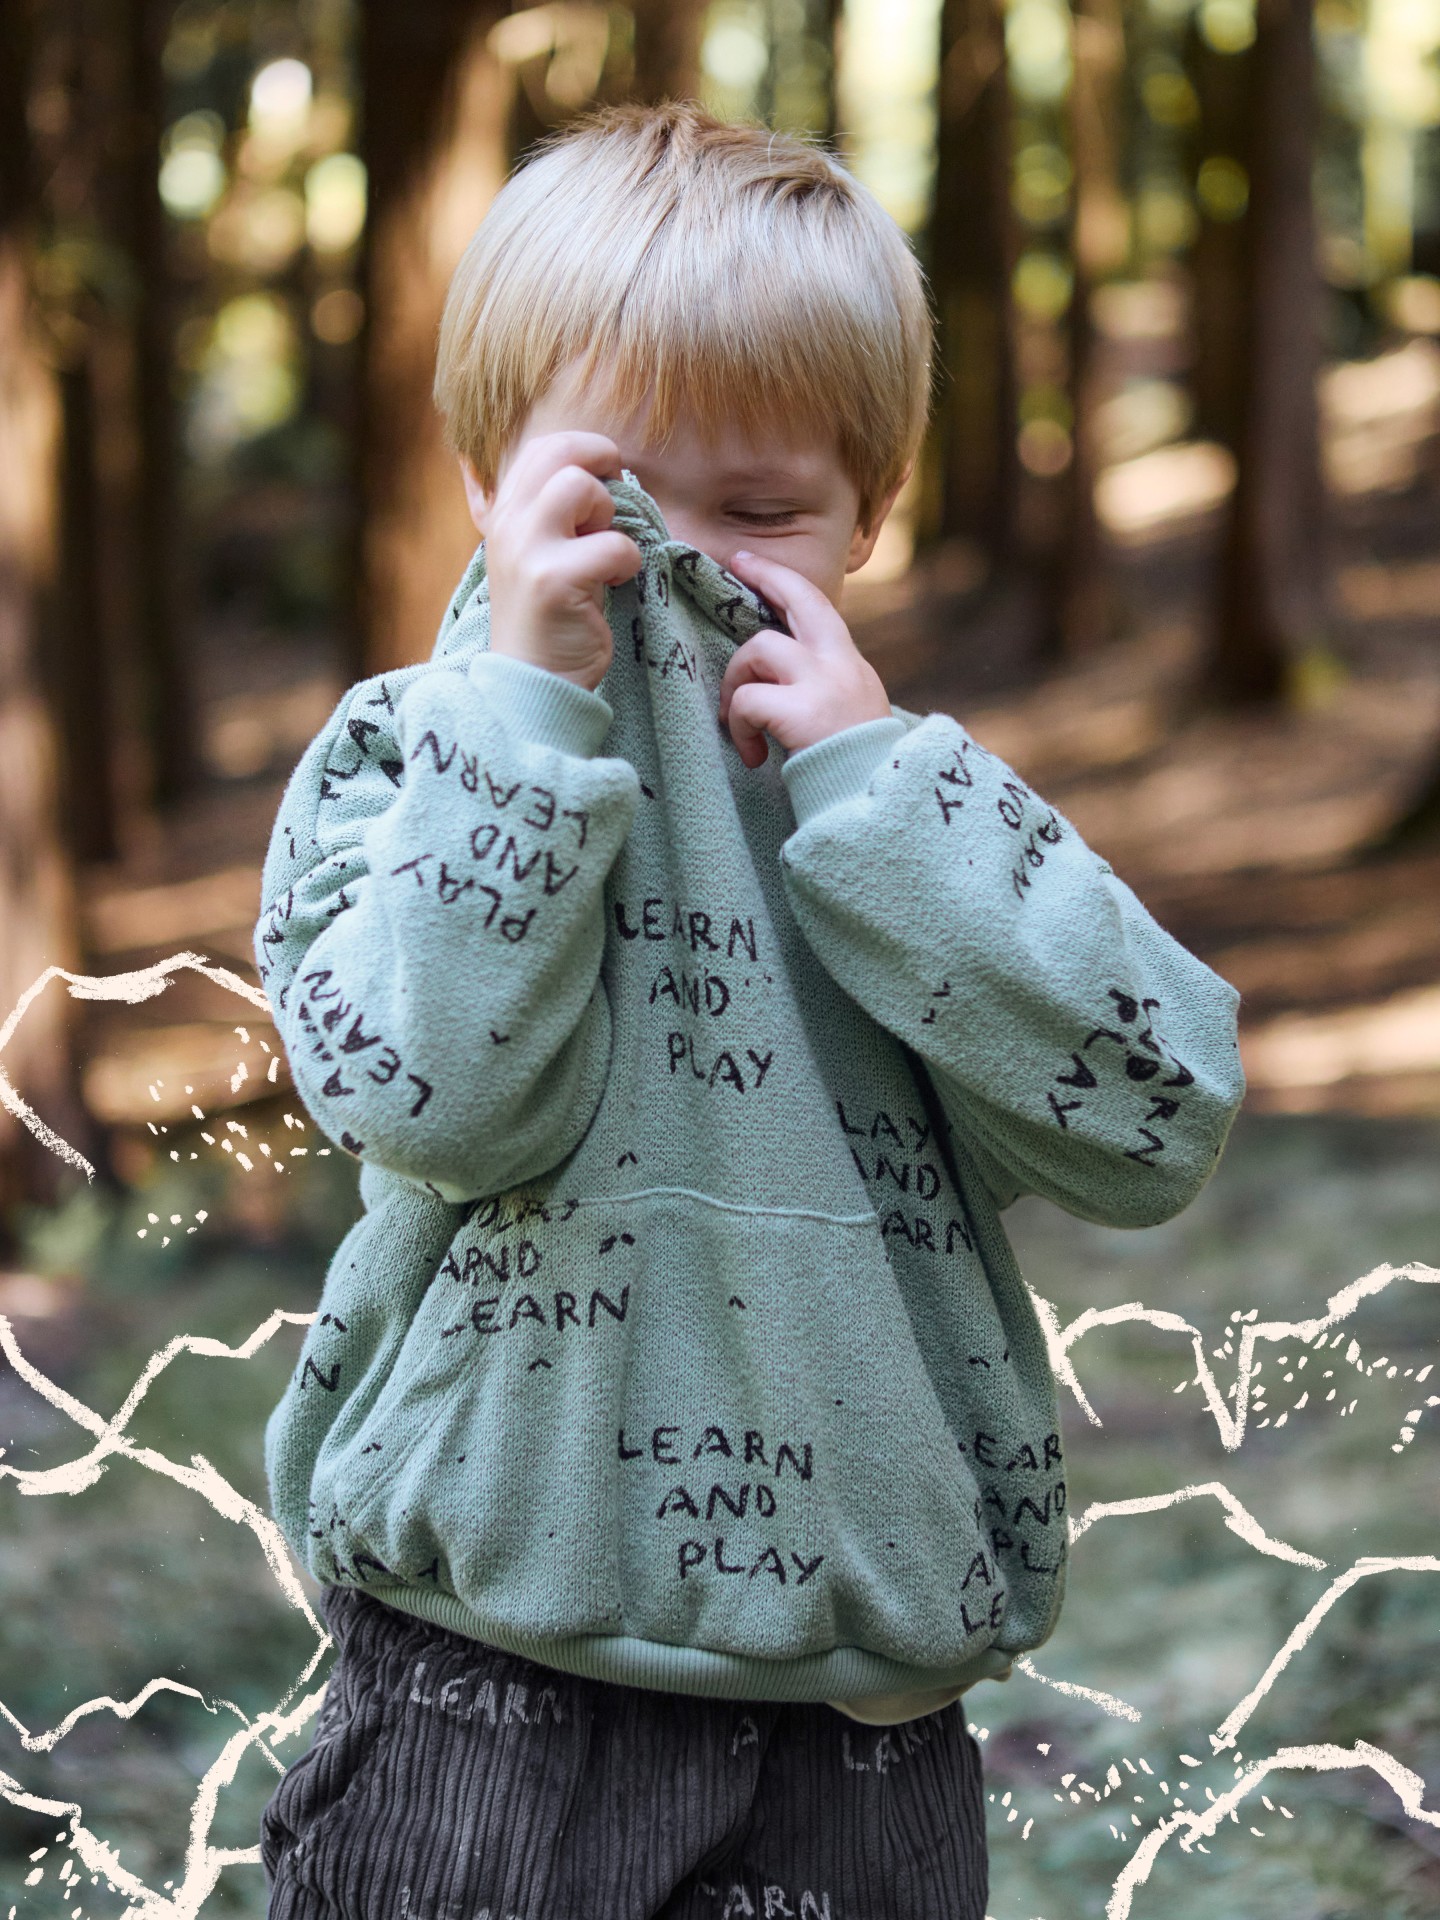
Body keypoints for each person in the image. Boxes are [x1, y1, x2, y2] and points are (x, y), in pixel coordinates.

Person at [255, 102, 1244, 1920]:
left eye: (761, 514)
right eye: (613, 506)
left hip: (862, 1718)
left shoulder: (904, 809)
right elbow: (438, 1102)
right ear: (487, 478)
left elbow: (1152, 1117)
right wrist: (530, 734)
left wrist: (877, 799)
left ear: (866, 515)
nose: (681, 569)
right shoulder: (414, 756)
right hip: (486, 1694)